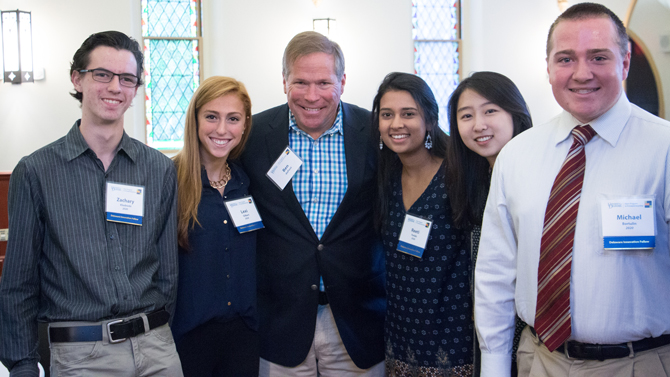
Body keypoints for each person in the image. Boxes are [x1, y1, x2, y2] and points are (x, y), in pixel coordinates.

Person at [475, 3, 670, 377]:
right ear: (548, 66)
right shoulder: (518, 154)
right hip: (540, 359)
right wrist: (495, 368)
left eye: (599, 57)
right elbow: (495, 273)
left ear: (625, 63)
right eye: (566, 59)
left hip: (640, 363)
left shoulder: (663, 149)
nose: (582, 73)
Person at [0, 31, 181, 376]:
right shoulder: (36, 171)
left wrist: (155, 332)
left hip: (156, 351)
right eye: (102, 74)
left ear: (135, 89)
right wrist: (22, 364)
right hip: (80, 355)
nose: (115, 87)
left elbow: (168, 272)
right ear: (77, 79)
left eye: (127, 78)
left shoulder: (158, 169)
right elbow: (18, 284)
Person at [240, 31, 385, 376]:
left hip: (356, 319)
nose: (312, 96)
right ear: (284, 81)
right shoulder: (253, 134)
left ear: (343, 81)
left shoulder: (374, 131)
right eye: (300, 82)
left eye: (323, 82)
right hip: (281, 321)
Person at [373, 72, 473, 376]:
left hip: (454, 338)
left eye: (408, 114)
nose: (396, 124)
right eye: (387, 115)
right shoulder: (385, 179)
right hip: (400, 336)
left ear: (429, 120)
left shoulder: (460, 174)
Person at [445, 71, 532, 375]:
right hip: (488, 327)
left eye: (490, 111)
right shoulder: (473, 180)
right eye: (466, 115)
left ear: (515, 113)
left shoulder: (536, 175)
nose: (478, 125)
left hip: (531, 331)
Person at [171, 76, 258, 376]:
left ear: (245, 124)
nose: (222, 129)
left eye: (232, 119)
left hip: (244, 337)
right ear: (195, 120)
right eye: (211, 117)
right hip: (187, 338)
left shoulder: (248, 182)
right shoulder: (169, 180)